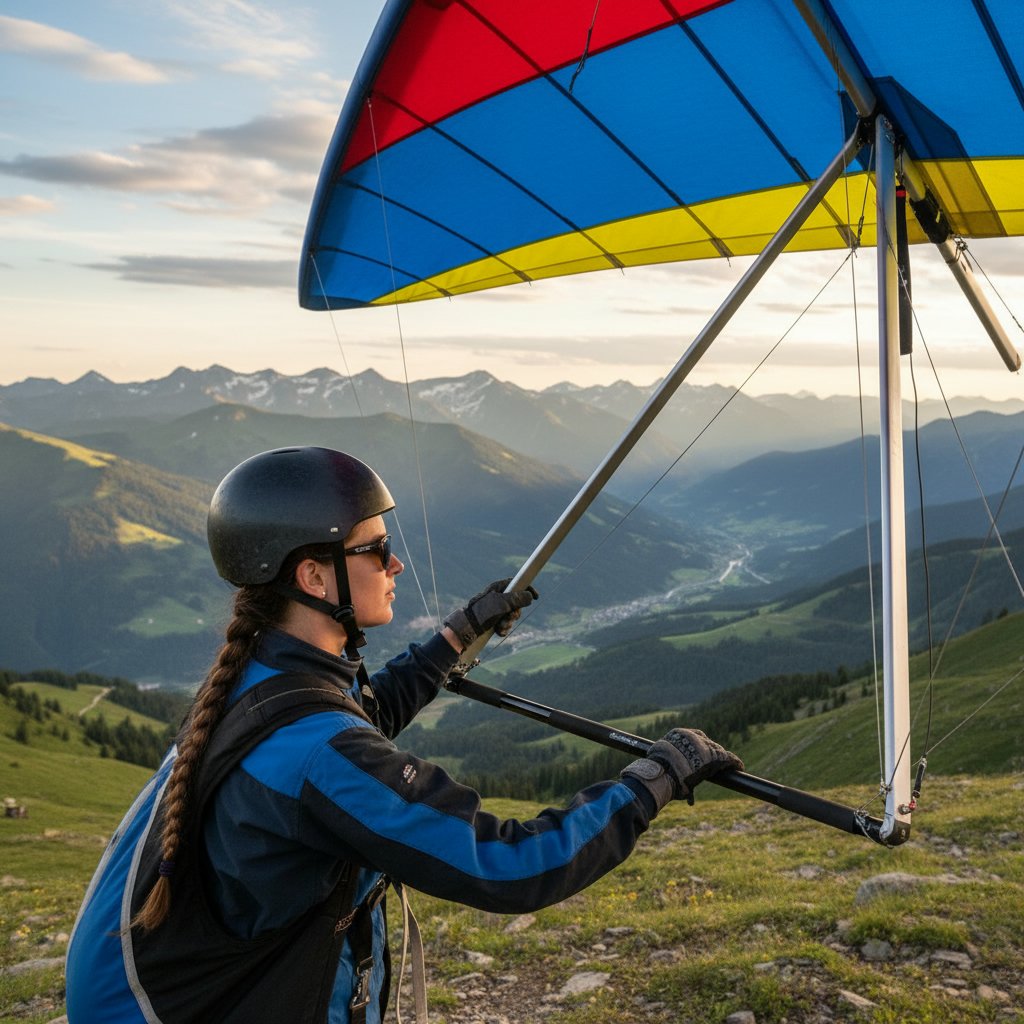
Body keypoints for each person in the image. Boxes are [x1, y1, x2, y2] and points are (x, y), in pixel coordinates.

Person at [65, 445, 742, 1024]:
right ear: (313, 575)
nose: (396, 567)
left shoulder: (256, 678)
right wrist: (654, 780)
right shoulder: (313, 751)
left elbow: (360, 714)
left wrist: (453, 638)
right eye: (375, 550)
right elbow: (510, 866)